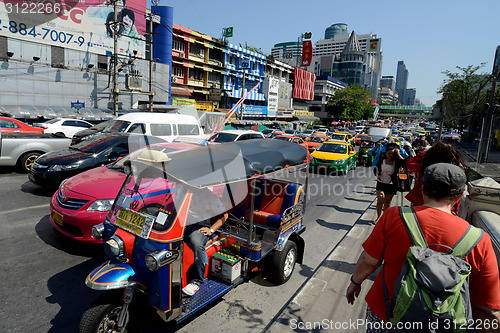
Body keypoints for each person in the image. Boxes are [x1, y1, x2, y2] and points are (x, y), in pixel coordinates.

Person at [346, 163, 500, 332]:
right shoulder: (479, 240)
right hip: (442, 325)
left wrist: (355, 282)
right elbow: (488, 309)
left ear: (422, 188)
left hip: (387, 315)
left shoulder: (394, 216)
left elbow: (369, 260)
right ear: (461, 196)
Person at [182, 187, 228, 296]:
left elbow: (224, 215)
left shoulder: (208, 195)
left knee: (196, 243)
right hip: (180, 223)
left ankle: (196, 280)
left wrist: (211, 230)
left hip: (198, 226)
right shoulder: (181, 190)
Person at [405, 141, 465, 214]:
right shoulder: (455, 172)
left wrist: (421, 154)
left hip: (421, 203)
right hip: (446, 207)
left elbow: (409, 164)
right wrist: (455, 212)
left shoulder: (424, 168)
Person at [374, 143, 406, 222]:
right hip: (381, 182)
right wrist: (377, 175)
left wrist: (398, 153)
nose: (390, 155)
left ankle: (383, 219)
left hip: (391, 184)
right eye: (389, 153)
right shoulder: (382, 160)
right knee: (380, 199)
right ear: (386, 153)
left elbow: (404, 163)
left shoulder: (397, 162)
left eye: (392, 154)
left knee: (387, 203)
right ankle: (378, 217)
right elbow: (376, 169)